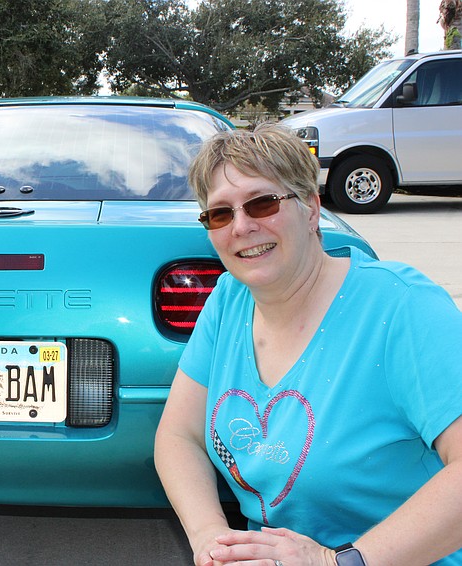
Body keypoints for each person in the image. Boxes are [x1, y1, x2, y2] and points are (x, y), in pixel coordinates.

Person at [154, 124, 462, 566]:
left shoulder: (401, 306)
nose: (241, 226)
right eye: (220, 213)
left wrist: (335, 562)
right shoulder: (228, 301)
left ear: (312, 209)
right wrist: (212, 539)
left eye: (263, 203)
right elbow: (178, 436)